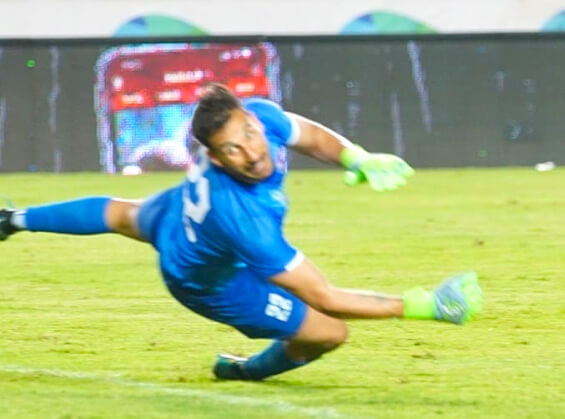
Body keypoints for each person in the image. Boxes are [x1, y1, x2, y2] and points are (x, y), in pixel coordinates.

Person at [0, 83, 482, 380]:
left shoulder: (260, 119)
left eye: (249, 135)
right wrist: (423, 307)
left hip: (178, 215)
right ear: (213, 156)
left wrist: (356, 157)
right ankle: (244, 370)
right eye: (232, 150)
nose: (251, 153)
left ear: (253, 119)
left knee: (121, 215)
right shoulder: (244, 220)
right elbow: (326, 297)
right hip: (207, 279)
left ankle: (12, 220)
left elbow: (309, 135)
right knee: (329, 333)